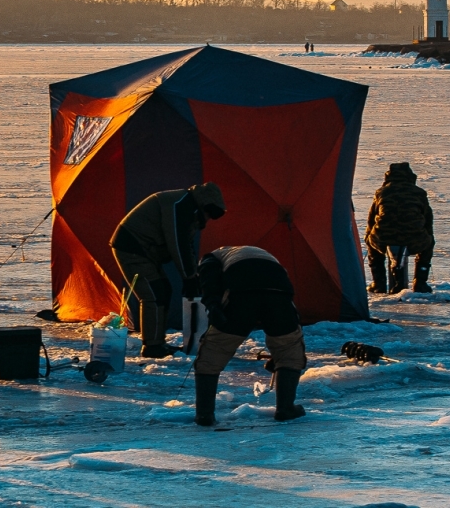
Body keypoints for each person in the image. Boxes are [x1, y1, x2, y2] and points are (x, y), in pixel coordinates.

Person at [109, 182, 226, 358]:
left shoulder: (189, 208)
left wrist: (193, 274)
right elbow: (177, 243)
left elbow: (187, 246)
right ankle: (152, 347)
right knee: (153, 294)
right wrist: (188, 277)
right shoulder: (180, 206)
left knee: (164, 290)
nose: (208, 219)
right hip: (132, 248)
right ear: (205, 205)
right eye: (209, 214)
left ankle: (157, 342)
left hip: (147, 251)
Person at [193, 246, 307, 425]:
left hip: (241, 292)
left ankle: (204, 414)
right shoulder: (266, 256)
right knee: (288, 348)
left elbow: (209, 280)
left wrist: (213, 305)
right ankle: (285, 408)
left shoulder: (210, 258)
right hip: (279, 292)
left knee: (214, 351)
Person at [365, 163, 435, 293]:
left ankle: (378, 283)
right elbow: (428, 221)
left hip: (383, 239)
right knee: (428, 244)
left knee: (371, 242)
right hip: (414, 239)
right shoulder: (419, 193)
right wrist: (428, 238)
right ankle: (420, 282)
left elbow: (371, 221)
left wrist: (368, 237)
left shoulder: (381, 193)